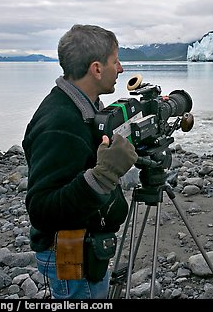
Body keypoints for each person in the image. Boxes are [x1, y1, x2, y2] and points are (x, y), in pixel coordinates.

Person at [23, 24, 138, 299]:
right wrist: (104, 175)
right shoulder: (60, 122)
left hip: (88, 246)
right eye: (115, 61)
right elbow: (41, 210)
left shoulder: (85, 108)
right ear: (96, 69)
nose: (120, 69)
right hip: (71, 257)